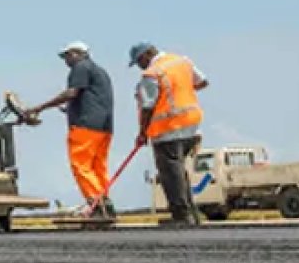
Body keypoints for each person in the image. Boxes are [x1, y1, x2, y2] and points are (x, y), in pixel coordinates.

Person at [26, 42, 116, 218]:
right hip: (104, 127)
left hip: (85, 126)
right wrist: (72, 108)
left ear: (77, 54)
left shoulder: (80, 67)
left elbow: (71, 93)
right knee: (98, 166)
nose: (66, 60)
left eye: (67, 56)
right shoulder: (100, 71)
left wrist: (40, 108)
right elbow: (94, 98)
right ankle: (105, 203)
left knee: (81, 165)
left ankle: (95, 203)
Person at [129, 42, 210, 228]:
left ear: (147, 55)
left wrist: (142, 133)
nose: (140, 66)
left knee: (171, 174)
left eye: (139, 61)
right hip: (191, 125)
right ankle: (191, 214)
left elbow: (148, 106)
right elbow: (202, 82)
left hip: (168, 128)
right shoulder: (182, 62)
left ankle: (181, 216)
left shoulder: (152, 74)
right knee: (179, 171)